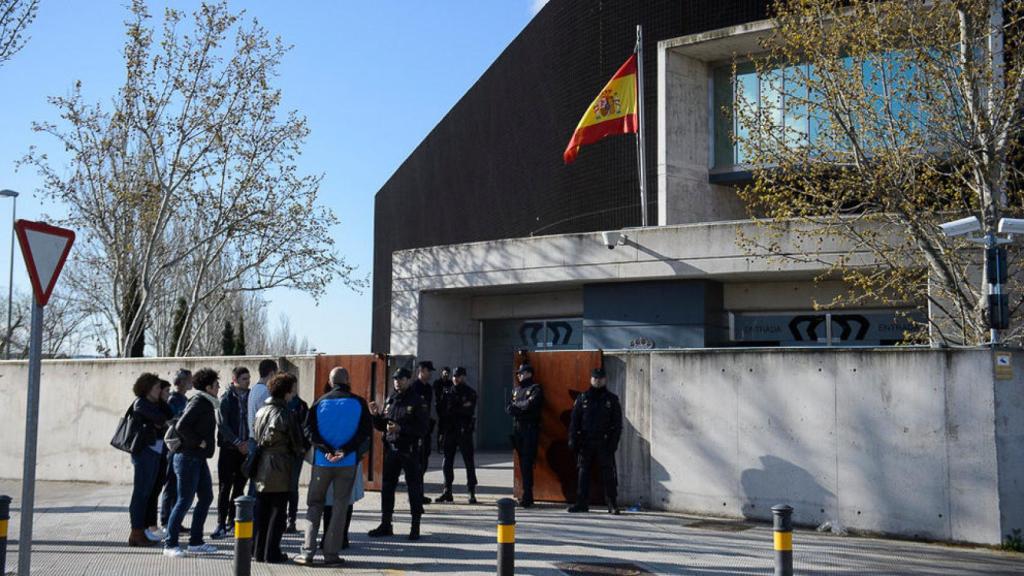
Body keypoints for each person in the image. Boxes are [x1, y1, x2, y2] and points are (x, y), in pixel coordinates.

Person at [296, 367, 372, 566]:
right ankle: (331, 554)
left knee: (314, 505)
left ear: (330, 382)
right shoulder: (359, 402)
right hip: (347, 463)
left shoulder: (319, 402)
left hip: (322, 462)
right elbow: (365, 433)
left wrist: (325, 449)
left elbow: (308, 430)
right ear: (347, 380)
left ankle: (307, 552)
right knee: (340, 508)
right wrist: (345, 450)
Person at [163, 368, 220, 558]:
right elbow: (181, 426)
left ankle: (196, 542)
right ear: (208, 387)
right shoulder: (199, 402)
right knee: (184, 500)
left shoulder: (205, 402)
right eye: (216, 384)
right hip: (187, 457)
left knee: (206, 497)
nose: (219, 387)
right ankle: (170, 544)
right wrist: (198, 441)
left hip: (197, 458)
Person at [368, 368, 428, 540]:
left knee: (413, 488)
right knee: (387, 487)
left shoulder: (417, 401)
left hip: (409, 450)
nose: (397, 382)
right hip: (392, 450)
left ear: (408, 380)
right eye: (395, 379)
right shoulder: (391, 399)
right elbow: (382, 426)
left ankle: (415, 526)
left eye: (400, 379)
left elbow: (423, 429)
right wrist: (375, 416)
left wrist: (402, 428)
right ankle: (386, 524)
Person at [252, 372, 305, 564]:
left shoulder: (261, 411)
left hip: (261, 465)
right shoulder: (284, 413)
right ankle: (272, 552)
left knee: (262, 511)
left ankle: (259, 551)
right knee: (278, 511)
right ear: (287, 391)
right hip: (279, 465)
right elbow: (297, 443)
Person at [567, 367, 623, 514]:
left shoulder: (611, 399)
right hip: (586, 442)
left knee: (608, 474)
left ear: (605, 380)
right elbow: (574, 421)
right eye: (595, 378)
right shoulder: (583, 398)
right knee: (583, 473)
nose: (598, 381)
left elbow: (617, 425)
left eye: (600, 378)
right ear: (591, 379)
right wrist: (573, 439)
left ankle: (612, 504)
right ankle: (581, 503)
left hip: (604, 442)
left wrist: (613, 443)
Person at [128, 373, 171, 547]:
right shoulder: (141, 403)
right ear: (147, 389)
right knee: (141, 492)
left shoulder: (156, 404)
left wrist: (161, 401)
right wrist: (159, 422)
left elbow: (169, 415)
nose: (160, 390)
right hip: (144, 452)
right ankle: (136, 532)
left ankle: (144, 530)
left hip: (156, 452)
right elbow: (161, 420)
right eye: (156, 387)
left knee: (151, 491)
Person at [211, 366, 251, 540]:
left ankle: (233, 520)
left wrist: (248, 443)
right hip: (229, 449)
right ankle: (220, 523)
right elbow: (222, 424)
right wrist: (237, 442)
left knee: (240, 487)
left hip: (245, 449)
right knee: (225, 487)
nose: (247, 382)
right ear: (235, 380)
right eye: (244, 379)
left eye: (248, 378)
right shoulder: (226, 398)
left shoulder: (251, 397)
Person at [436, 366, 478, 503]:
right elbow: (443, 412)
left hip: (464, 431)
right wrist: (459, 407)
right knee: (447, 462)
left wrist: (454, 408)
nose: (455, 378)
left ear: (464, 377)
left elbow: (468, 410)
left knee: (469, 462)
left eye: (458, 376)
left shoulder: (470, 392)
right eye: (454, 376)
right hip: (450, 431)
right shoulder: (447, 392)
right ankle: (447, 491)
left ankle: (471, 491)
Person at [160, 369, 192, 533]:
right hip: (173, 447)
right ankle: (166, 521)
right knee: (171, 485)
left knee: (177, 486)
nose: (191, 382)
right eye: (188, 379)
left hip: (181, 446)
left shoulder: (184, 399)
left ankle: (175, 520)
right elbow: (170, 421)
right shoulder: (174, 399)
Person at [507, 363, 543, 508]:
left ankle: (528, 495)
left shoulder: (535, 389)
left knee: (527, 463)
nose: (519, 375)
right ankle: (524, 493)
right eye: (518, 373)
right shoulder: (516, 390)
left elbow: (530, 405)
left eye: (521, 373)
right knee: (522, 463)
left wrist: (518, 407)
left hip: (529, 430)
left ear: (529, 373)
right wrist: (520, 407)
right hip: (518, 430)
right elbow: (509, 407)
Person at [145, 380, 174, 541]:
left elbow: (169, 417)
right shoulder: (145, 405)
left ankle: (152, 526)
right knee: (151, 491)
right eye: (165, 391)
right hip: (152, 452)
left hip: (161, 452)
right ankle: (150, 526)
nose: (168, 394)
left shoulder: (162, 405)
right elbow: (162, 422)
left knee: (156, 488)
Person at [285, 387, 310, 534]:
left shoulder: (301, 406)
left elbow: (307, 428)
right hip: (283, 452)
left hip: (296, 452)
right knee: (282, 487)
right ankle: (283, 519)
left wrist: (303, 448)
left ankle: (291, 520)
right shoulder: (280, 406)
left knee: (292, 487)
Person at [411, 360, 436, 504]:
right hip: (416, 431)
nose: (431, 373)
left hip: (425, 429)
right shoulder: (415, 387)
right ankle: (416, 495)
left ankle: (420, 493)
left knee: (424, 462)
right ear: (422, 371)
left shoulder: (428, 388)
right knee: (417, 464)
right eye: (429, 371)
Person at [248, 359, 278, 437]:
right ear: (272, 373)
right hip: (261, 439)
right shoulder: (266, 391)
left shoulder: (254, 389)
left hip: (253, 436)